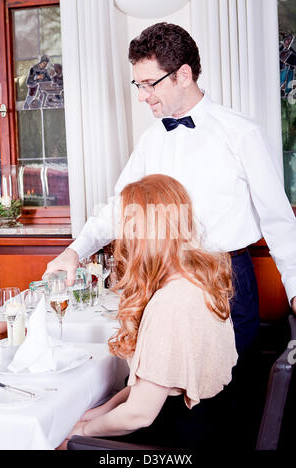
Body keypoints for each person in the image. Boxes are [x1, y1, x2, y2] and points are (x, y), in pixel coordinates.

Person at [45, 22, 296, 358]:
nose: (141, 96)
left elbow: (279, 222)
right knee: (167, 394)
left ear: (183, 75)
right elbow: (120, 208)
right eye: (138, 84)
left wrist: (294, 292)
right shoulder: (150, 141)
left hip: (227, 280)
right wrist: (75, 251)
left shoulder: (241, 133)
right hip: (164, 280)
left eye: (149, 84)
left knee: (227, 398)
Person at [58, 174, 238, 450]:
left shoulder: (168, 304)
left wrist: (80, 431)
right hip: (213, 426)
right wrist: (101, 411)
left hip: (177, 440)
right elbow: (155, 381)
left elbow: (139, 414)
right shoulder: (201, 279)